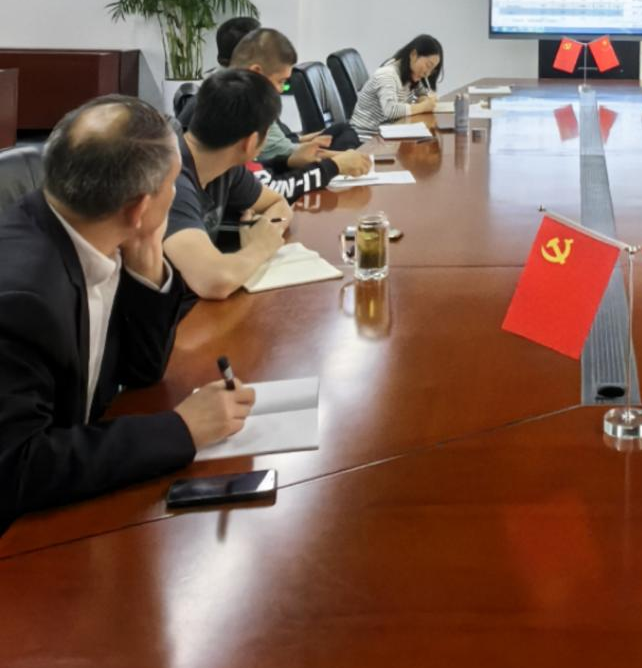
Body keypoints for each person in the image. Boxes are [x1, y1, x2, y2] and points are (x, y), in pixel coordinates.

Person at [0, 96, 256, 530]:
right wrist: (181, 429)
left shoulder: (93, 232)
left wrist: (148, 265)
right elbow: (17, 467)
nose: (177, 196)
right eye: (173, 185)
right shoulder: (22, 300)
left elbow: (142, 371)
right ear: (139, 207)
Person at [180, 27, 372, 201]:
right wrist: (334, 165)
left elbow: (259, 180)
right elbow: (271, 186)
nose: (281, 90)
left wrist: (287, 161)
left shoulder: (230, 98)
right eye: (282, 81)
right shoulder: (233, 107)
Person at [164, 69, 294, 300]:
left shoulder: (226, 167)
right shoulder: (172, 180)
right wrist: (260, 246)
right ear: (251, 142)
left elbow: (277, 202)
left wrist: (260, 228)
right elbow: (213, 281)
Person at [349, 35, 444, 140]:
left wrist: (425, 100)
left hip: (389, 132)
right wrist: (423, 107)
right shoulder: (387, 74)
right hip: (367, 137)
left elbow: (423, 93)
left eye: (432, 70)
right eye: (428, 65)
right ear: (413, 55)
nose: (427, 73)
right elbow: (390, 110)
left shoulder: (413, 74)